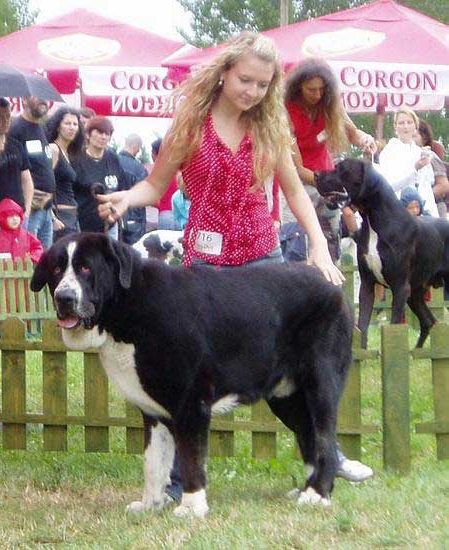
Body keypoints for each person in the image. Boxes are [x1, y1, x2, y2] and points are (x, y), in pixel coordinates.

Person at [97, 31, 372, 494]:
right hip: (205, 270)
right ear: (224, 73)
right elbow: (155, 184)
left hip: (261, 262)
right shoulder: (189, 124)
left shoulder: (270, 127)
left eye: (263, 84)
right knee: (184, 379)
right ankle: (175, 485)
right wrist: (127, 198)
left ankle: (327, 457)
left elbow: (292, 191)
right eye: (245, 80)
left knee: (282, 377)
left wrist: (320, 247)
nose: (253, 91)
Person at [283, 58, 377, 261]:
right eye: (311, 89)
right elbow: (297, 168)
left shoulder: (330, 105)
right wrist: (327, 184)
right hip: (298, 184)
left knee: (330, 245)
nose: (317, 95)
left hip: (327, 180)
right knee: (297, 247)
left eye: (322, 89)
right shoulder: (285, 113)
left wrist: (364, 139)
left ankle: (331, 283)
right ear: (298, 87)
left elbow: (353, 133)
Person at [378, 108, 446, 218]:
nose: (405, 126)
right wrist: (415, 169)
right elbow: (389, 186)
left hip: (424, 210)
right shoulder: (389, 152)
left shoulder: (420, 152)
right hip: (400, 210)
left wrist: (431, 212)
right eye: (401, 123)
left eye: (409, 122)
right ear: (395, 126)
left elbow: (427, 183)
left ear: (415, 126)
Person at [8, 96, 55, 249]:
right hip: (30, 208)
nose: (43, 101)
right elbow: (13, 169)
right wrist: (25, 208)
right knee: (28, 260)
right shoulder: (16, 129)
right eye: (37, 97)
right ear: (24, 100)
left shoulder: (41, 128)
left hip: (46, 207)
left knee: (45, 262)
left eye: (44, 97)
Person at [72, 116, 128, 239]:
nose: (103, 137)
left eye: (107, 134)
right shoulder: (76, 159)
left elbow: (123, 189)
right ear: (88, 135)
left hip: (110, 225)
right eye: (99, 132)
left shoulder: (113, 158)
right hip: (82, 225)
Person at [45, 107, 85, 241]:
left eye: (75, 124)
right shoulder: (53, 149)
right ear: (58, 126)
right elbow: (43, 184)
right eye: (67, 123)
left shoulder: (70, 153)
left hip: (72, 216)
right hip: (60, 216)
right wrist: (52, 218)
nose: (72, 128)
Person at [0, 97, 34, 230]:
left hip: (18, 216)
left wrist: (27, 210)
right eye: (1, 117)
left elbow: (26, 180)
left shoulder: (16, 145)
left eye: (8, 116)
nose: (6, 121)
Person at [118, 133, 148, 244]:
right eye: (139, 149)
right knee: (134, 256)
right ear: (135, 146)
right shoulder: (138, 168)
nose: (138, 152)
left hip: (113, 215)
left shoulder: (110, 161)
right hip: (134, 218)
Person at [416, 119, 449, 219]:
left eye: (415, 135)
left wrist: (421, 198)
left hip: (434, 210)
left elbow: (443, 185)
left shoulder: (431, 157)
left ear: (424, 137)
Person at [0, 198, 43, 262]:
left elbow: (38, 248)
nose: (15, 219)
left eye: (17, 216)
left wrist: (33, 257)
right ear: (3, 219)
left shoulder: (28, 236)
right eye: (11, 216)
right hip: (2, 271)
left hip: (26, 270)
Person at [150, 137, 178, 230]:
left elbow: (154, 200)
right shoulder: (177, 169)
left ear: (155, 153)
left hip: (165, 214)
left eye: (152, 152)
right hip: (179, 217)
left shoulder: (159, 172)